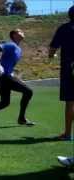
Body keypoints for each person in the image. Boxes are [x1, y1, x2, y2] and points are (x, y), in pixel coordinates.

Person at [0, 29, 35, 126]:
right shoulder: (11, 45)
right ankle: (21, 119)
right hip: (3, 75)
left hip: (3, 76)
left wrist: (12, 71)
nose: (22, 32)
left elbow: (9, 62)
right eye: (19, 31)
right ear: (14, 35)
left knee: (5, 102)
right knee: (28, 91)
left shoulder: (18, 49)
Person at [49, 5, 74, 140]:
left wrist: (51, 55)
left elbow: (53, 49)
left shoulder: (64, 29)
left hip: (69, 68)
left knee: (70, 102)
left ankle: (68, 134)